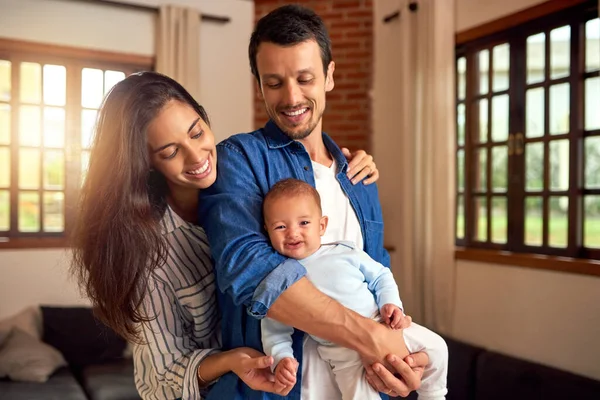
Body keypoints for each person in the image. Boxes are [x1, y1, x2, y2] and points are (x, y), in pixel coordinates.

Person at [70, 71, 380, 400]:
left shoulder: (252, 187)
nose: (197, 156)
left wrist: (347, 168)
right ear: (145, 162)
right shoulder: (152, 255)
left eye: (196, 132)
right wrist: (230, 361)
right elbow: (158, 382)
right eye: (170, 152)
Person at [199, 4, 429, 400]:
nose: (291, 97)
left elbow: (375, 276)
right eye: (274, 83)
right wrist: (368, 335)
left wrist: (403, 356)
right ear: (259, 85)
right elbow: (248, 269)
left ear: (329, 77)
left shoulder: (360, 179)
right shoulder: (239, 159)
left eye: (305, 78)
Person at [260, 179, 448, 400]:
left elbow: (380, 276)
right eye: (281, 226)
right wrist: (282, 359)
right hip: (342, 353)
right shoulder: (281, 277)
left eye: (303, 223)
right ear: (267, 231)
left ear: (322, 225)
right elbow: (274, 331)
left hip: (385, 326)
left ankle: (432, 396)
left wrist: (391, 303)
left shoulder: (346, 251)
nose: (292, 233)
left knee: (438, 347)